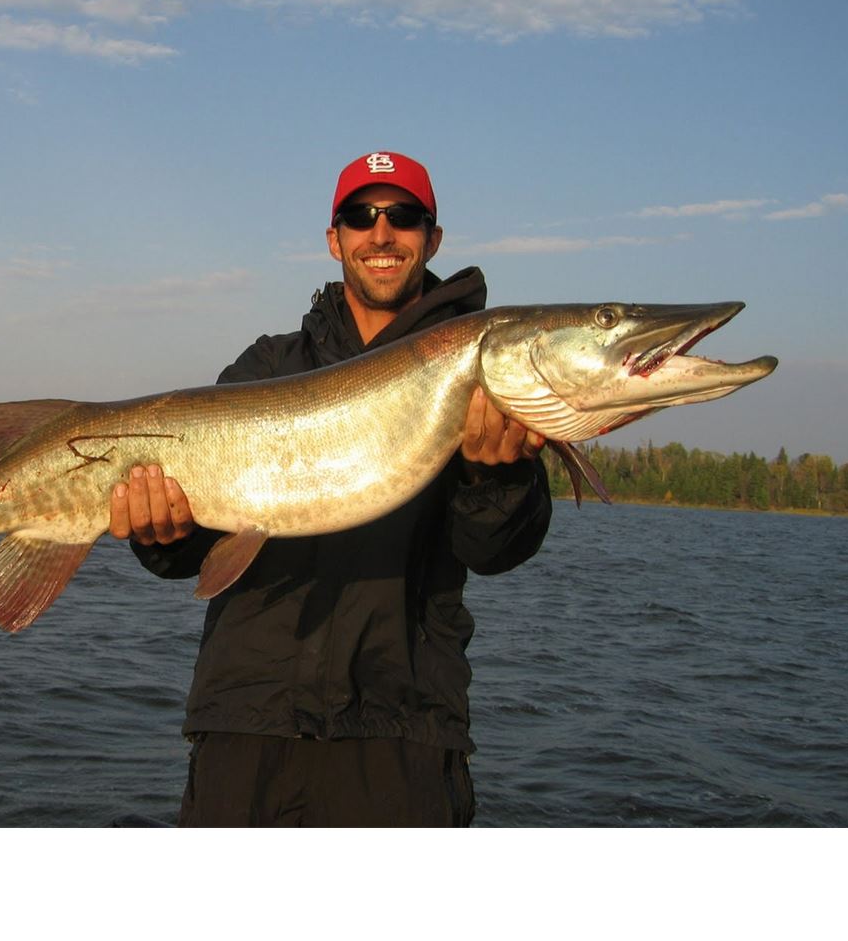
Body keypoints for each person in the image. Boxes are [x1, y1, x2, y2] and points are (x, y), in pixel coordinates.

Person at [109, 150, 552, 826]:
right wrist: (159, 532)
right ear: (334, 239)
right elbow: (188, 552)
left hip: (401, 735)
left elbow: (495, 549)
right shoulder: (268, 364)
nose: (382, 233)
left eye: (404, 216)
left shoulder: (479, 375)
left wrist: (496, 473)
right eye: (360, 216)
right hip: (246, 727)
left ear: (432, 238)